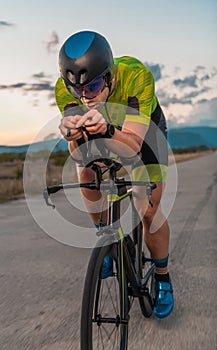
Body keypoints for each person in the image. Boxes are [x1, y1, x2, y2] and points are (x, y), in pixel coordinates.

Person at [55, 30, 174, 318]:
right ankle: (105, 239)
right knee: (86, 172)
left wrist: (108, 130)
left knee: (146, 208)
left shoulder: (137, 76)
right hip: (106, 131)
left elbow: (133, 146)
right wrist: (73, 135)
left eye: (93, 85)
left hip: (145, 135)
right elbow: (78, 154)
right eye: (77, 90)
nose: (85, 97)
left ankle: (162, 277)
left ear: (109, 75)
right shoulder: (64, 88)